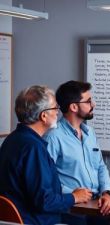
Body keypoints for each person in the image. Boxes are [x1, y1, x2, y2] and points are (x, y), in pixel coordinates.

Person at [0, 85, 92, 225]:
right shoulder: (34, 148)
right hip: (35, 220)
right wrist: (74, 197)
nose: (58, 113)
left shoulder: (12, 140)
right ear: (44, 116)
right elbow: (45, 201)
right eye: (55, 108)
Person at [43, 80, 110, 225]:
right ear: (74, 107)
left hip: (97, 206)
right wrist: (74, 194)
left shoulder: (90, 133)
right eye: (88, 101)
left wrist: (107, 193)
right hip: (72, 210)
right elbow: (47, 180)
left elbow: (101, 167)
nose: (93, 104)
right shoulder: (53, 137)